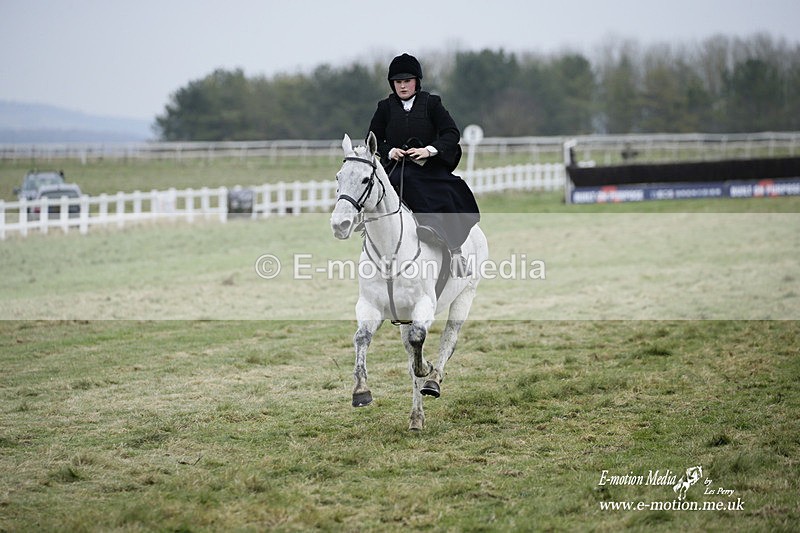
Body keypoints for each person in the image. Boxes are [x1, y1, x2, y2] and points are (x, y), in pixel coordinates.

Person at [367, 53, 480, 277]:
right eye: (398, 82)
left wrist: (428, 150)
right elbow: (372, 138)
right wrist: (390, 151)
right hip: (397, 169)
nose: (402, 86)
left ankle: (454, 250)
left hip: (429, 167)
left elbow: (451, 133)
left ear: (416, 82)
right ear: (393, 84)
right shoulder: (384, 108)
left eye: (407, 81)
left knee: (454, 189)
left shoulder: (432, 103)